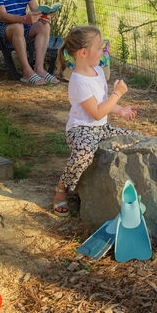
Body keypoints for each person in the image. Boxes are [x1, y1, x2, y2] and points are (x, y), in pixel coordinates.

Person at [53, 25, 139, 216]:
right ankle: (62, 188)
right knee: (84, 153)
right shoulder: (78, 80)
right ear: (84, 52)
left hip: (102, 128)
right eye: (99, 47)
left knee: (136, 139)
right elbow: (97, 113)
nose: (104, 51)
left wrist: (120, 110)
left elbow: (103, 104)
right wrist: (118, 93)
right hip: (80, 130)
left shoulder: (98, 71)